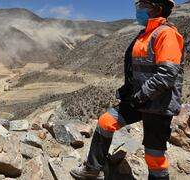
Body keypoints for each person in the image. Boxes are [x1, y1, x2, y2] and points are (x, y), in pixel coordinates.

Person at [70, 0, 184, 179]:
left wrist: (140, 96)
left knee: (154, 155)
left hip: (158, 105)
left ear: (157, 8)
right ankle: (92, 169)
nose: (138, 9)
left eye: (143, 5)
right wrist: (129, 89)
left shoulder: (166, 34)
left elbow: (167, 75)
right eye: (138, 5)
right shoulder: (145, 34)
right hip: (138, 99)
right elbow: (136, 69)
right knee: (106, 122)